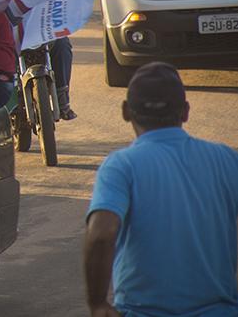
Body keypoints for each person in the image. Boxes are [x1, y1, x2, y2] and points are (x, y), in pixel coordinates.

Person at [84, 62, 238, 317]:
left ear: (125, 112)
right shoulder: (225, 159)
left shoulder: (121, 166)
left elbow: (101, 234)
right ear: (186, 112)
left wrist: (97, 304)